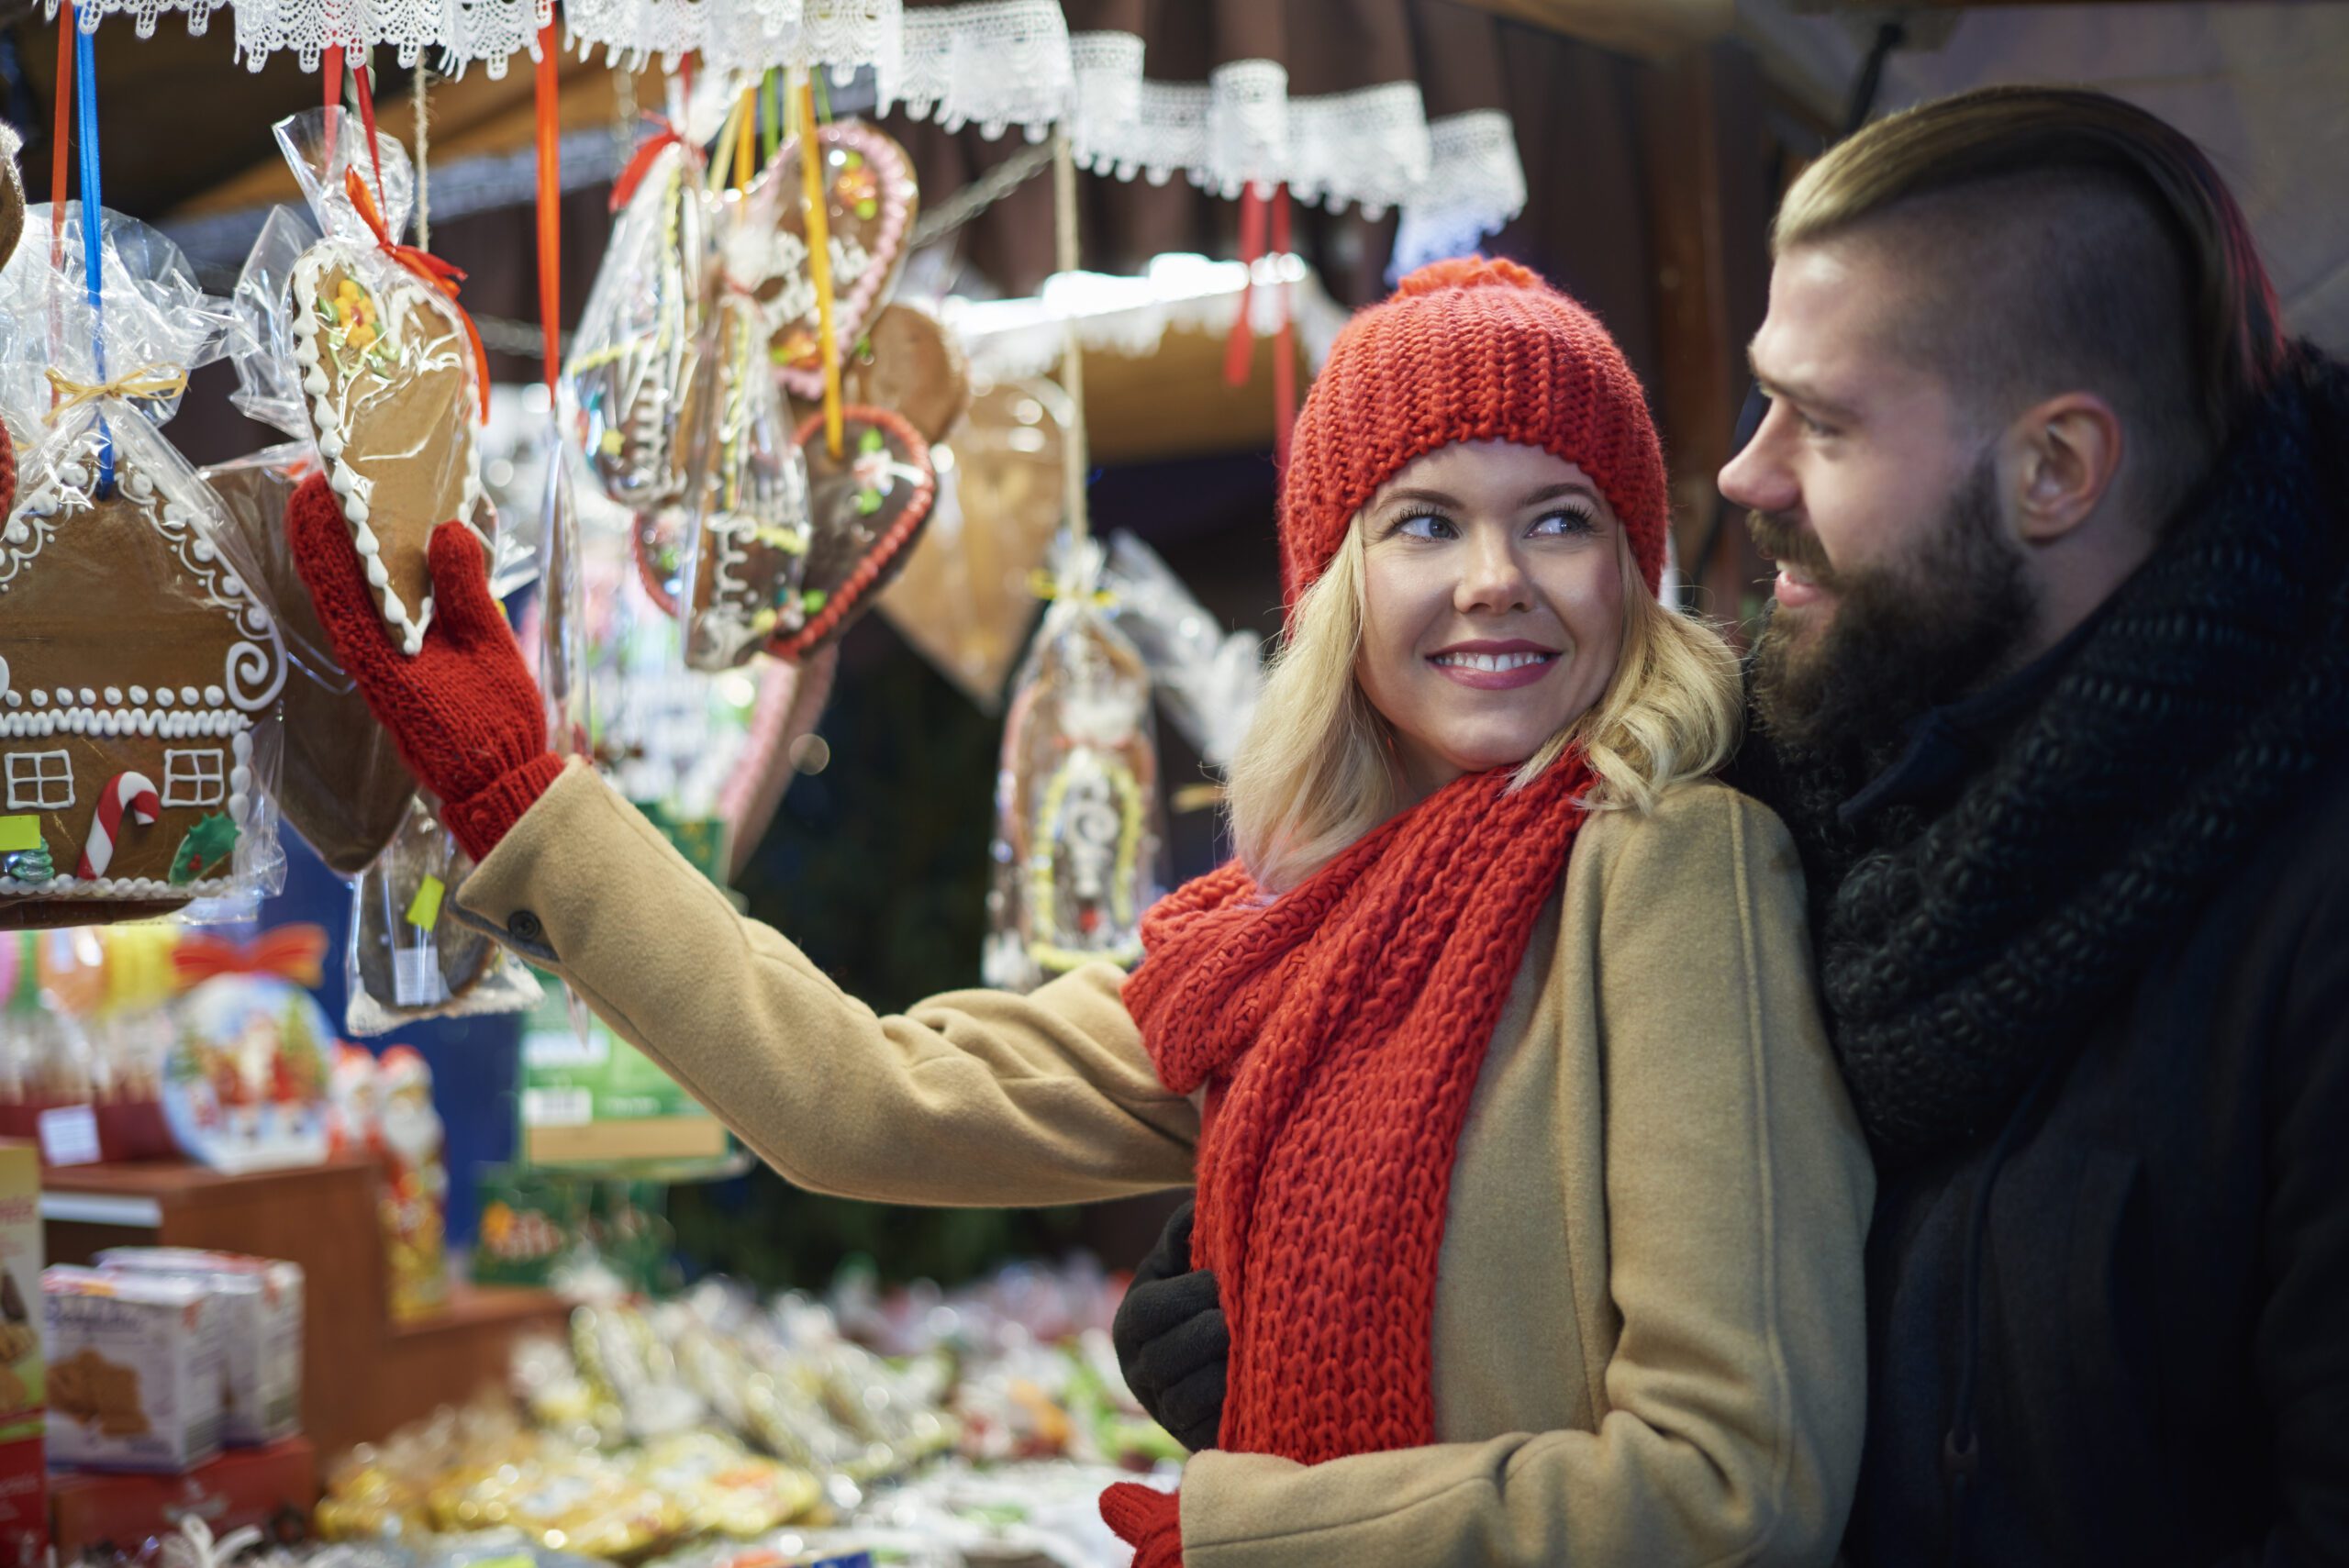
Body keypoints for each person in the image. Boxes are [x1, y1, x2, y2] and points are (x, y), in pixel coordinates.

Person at [291, 258, 1876, 1566]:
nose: (1492, 578)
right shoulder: (1283, 937)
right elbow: (860, 1098)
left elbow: (1734, 1487)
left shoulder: (1677, 869)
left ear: (1631, 568)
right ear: (1333, 593)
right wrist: (528, 800)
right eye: (1424, 521)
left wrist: (1265, 1529)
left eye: (1559, 517)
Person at [1116, 85, 2349, 1567]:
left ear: (2055, 470)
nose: (1743, 474)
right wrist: (1328, 1265)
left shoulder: (2299, 911)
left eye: (1819, 422)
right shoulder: (1788, 770)